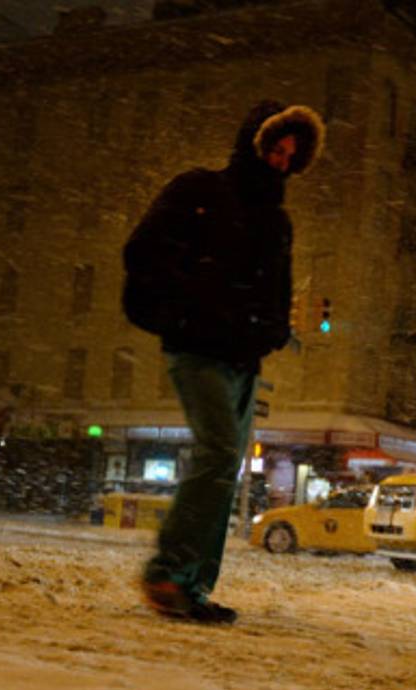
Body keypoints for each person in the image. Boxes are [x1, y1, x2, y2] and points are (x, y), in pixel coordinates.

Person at [122, 101, 324, 623]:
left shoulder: (277, 223)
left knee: (226, 467)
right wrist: (191, 305)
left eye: (290, 155)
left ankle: (190, 587)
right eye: (275, 149)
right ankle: (167, 571)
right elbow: (143, 250)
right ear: (252, 143)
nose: (280, 162)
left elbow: (279, 291)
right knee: (217, 454)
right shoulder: (200, 191)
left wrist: (273, 330)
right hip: (195, 348)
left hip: (242, 357)